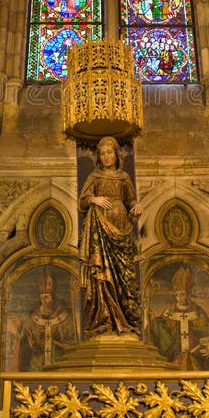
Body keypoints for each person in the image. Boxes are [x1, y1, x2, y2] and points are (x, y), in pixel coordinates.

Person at [78, 136, 142, 336]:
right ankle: (104, 318)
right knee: (102, 274)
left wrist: (136, 206)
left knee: (123, 275)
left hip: (121, 228)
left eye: (109, 152)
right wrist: (94, 199)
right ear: (99, 157)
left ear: (116, 155)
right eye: (103, 153)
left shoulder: (123, 177)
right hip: (100, 228)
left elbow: (131, 199)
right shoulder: (94, 177)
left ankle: (124, 317)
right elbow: (82, 202)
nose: (106, 157)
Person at [150, 265, 209, 371]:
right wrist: (153, 322)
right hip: (175, 358)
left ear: (188, 293)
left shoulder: (198, 312)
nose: (179, 298)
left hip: (195, 358)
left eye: (182, 294)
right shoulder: (169, 312)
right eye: (177, 295)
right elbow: (162, 334)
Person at [15, 268, 75, 370]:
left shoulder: (66, 316)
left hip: (60, 366)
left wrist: (55, 342)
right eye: (42, 284)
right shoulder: (31, 318)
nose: (45, 289)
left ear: (55, 287)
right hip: (37, 367)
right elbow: (25, 345)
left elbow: (72, 346)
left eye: (49, 284)